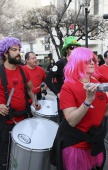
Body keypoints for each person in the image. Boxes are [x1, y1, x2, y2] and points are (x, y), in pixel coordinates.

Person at [50, 47, 108, 170]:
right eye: (87, 60)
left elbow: (106, 112)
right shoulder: (68, 87)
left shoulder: (96, 83)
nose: (92, 62)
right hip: (76, 144)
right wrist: (88, 101)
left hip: (94, 141)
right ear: (77, 62)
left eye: (93, 60)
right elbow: (72, 120)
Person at [0, 37, 41, 170]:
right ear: (5, 53)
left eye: (19, 50)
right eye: (14, 50)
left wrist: (34, 101)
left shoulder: (23, 70)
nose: (18, 53)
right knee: (4, 156)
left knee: (21, 155)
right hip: (5, 122)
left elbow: (30, 89)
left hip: (23, 120)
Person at [45, 36, 81, 122]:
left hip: (76, 96)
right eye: (72, 47)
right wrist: (57, 93)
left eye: (77, 48)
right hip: (64, 97)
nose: (74, 49)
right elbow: (48, 79)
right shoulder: (60, 63)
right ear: (67, 50)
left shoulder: (79, 63)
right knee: (64, 121)